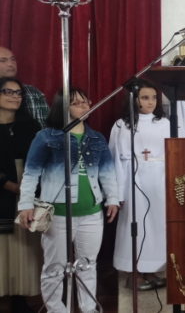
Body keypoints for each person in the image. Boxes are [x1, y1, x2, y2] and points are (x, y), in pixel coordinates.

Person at [17, 87, 120, 313]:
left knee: (88, 264)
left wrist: (113, 198)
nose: (84, 106)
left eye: (86, 101)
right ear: (63, 107)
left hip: (92, 211)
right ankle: (56, 309)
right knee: (54, 266)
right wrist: (25, 205)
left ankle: (88, 307)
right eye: (76, 103)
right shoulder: (46, 137)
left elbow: (107, 172)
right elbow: (31, 173)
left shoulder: (96, 137)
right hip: (58, 213)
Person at [109, 79, 169, 289]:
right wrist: (116, 193)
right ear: (134, 100)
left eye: (154, 97)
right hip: (131, 180)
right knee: (135, 226)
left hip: (159, 180)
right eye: (145, 98)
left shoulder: (164, 123)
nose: (150, 102)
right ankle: (135, 272)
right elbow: (114, 159)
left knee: (156, 226)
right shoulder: (121, 125)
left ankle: (152, 269)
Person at [0, 78, 41, 312]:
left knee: (24, 244)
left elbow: (42, 157)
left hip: (28, 186)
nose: (15, 96)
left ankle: (20, 296)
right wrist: (8, 184)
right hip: (3, 189)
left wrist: (27, 187)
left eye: (18, 93)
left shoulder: (30, 126)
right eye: (8, 91)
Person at [0, 46, 49, 128]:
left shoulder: (33, 93)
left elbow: (46, 130)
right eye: (3, 60)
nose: (10, 64)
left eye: (13, 59)